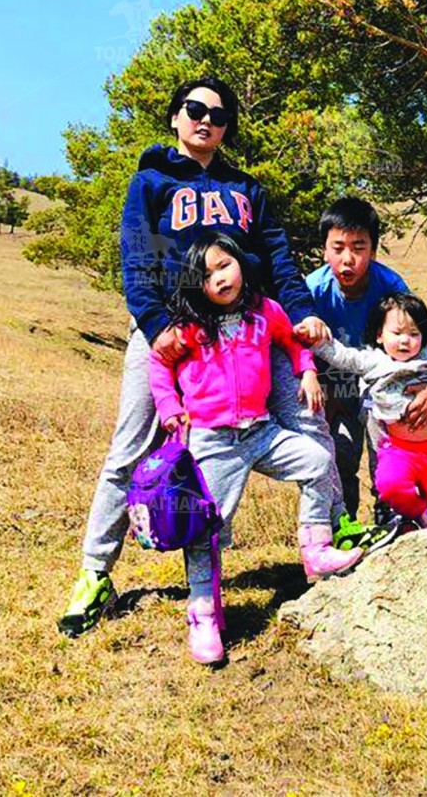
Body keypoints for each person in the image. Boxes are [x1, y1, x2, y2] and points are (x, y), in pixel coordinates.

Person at [58, 76, 328, 638]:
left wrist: (301, 313)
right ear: (176, 117)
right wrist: (155, 325)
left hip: (248, 332)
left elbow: (278, 256)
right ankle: (94, 573)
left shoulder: (245, 188)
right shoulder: (151, 182)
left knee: (309, 418)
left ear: (227, 128)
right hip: (171, 335)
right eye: (196, 109)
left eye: (219, 115)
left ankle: (328, 538)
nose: (206, 119)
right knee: (131, 449)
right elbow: (136, 256)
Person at [153, 234, 361, 664]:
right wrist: (169, 405)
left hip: (261, 431)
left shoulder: (265, 311)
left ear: (241, 264)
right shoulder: (191, 326)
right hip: (214, 440)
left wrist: (307, 372)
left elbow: (292, 342)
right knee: (207, 527)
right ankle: (203, 611)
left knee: (318, 460)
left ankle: (315, 548)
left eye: (224, 265)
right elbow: (159, 361)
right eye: (206, 275)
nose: (219, 278)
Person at [302, 198, 427, 529]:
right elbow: (295, 346)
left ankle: (391, 516)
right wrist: (320, 385)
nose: (348, 258)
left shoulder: (391, 288)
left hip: (384, 385)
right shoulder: (312, 290)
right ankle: (342, 524)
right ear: (324, 250)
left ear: (374, 251)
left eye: (359, 247)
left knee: (388, 452)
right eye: (338, 248)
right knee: (339, 453)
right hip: (332, 387)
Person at [314, 293, 427, 525]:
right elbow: (343, 356)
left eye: (414, 334)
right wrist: (317, 342)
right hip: (397, 449)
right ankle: (420, 515)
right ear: (379, 335)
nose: (405, 341)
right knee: (389, 487)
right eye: (397, 333)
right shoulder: (373, 361)